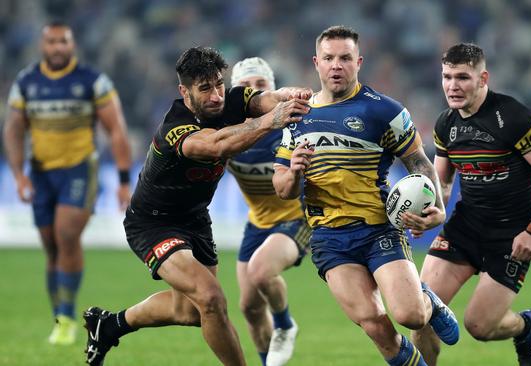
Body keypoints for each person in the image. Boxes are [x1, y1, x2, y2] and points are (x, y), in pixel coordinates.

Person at [82, 46, 312, 366]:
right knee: (212, 299)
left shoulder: (231, 100)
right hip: (153, 223)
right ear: (185, 91)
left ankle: (108, 326)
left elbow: (267, 99)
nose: (217, 95)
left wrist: (294, 97)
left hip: (195, 220)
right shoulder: (175, 127)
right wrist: (269, 122)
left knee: (188, 312)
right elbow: (214, 145)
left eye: (219, 84)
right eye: (205, 89)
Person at [272, 25, 459, 366]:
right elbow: (283, 190)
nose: (336, 65)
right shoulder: (296, 116)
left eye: (345, 58)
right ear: (316, 63)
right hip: (329, 237)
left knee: (411, 316)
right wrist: (295, 169)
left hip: (378, 228)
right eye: (329, 58)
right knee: (374, 325)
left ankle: (427, 301)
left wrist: (438, 208)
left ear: (359, 62)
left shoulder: (384, 110)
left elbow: (419, 163)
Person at [406, 43, 531, 366]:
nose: (453, 86)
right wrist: (433, 211)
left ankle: (525, 327)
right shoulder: (446, 124)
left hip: (510, 237)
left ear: (483, 78)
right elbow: (441, 182)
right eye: (447, 77)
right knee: (419, 314)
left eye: (463, 78)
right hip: (465, 227)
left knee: (479, 326)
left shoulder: (513, 117)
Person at [2, 21, 132, 346]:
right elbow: (14, 129)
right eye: (52, 42)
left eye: (64, 42)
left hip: (79, 170)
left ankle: (68, 317)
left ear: (72, 45)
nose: (58, 48)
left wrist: (123, 180)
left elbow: (116, 129)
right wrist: (18, 174)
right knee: (50, 247)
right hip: (42, 173)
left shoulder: (92, 82)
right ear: (42, 46)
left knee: (66, 234)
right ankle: (59, 315)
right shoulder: (26, 82)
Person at [228, 57, 311, 366]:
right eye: (245, 87)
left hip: (297, 217)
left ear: (273, 89)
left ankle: (285, 325)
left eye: (260, 85)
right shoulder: (226, 130)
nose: (253, 92)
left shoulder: (292, 127)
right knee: (248, 306)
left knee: (261, 271)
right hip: (258, 222)